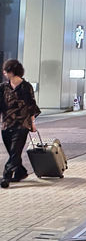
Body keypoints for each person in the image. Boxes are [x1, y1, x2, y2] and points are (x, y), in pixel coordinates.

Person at [0, 60, 41, 188]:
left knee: (15, 151)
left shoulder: (26, 87)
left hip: (22, 124)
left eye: (6, 71)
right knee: (12, 152)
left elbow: (31, 106)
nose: (4, 73)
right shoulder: (3, 87)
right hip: (6, 124)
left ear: (12, 71)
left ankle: (6, 176)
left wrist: (32, 123)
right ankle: (20, 172)